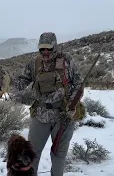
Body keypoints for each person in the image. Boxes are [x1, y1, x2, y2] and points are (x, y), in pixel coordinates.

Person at [16, 32, 83, 176]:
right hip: (40, 115)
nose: (45, 52)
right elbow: (21, 82)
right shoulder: (35, 63)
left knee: (59, 156)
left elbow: (79, 85)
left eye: (49, 48)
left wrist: (71, 106)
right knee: (31, 154)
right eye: (42, 48)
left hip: (63, 116)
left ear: (55, 46)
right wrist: (8, 83)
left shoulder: (67, 61)